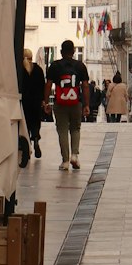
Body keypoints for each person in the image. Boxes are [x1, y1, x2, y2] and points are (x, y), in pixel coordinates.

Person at [44, 39, 90, 172]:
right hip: (76, 102)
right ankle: (74, 155)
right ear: (74, 51)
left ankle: (65, 160)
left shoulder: (55, 65)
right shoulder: (80, 66)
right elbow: (85, 86)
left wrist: (46, 102)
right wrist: (86, 104)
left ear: (61, 51)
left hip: (60, 102)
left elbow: (48, 84)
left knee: (62, 130)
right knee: (75, 128)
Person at [18, 49, 46, 164]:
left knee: (25, 125)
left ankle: (27, 148)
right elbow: (42, 86)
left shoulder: (20, 70)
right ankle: (35, 138)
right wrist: (43, 100)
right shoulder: (38, 70)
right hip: (36, 103)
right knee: (35, 123)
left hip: (24, 103)